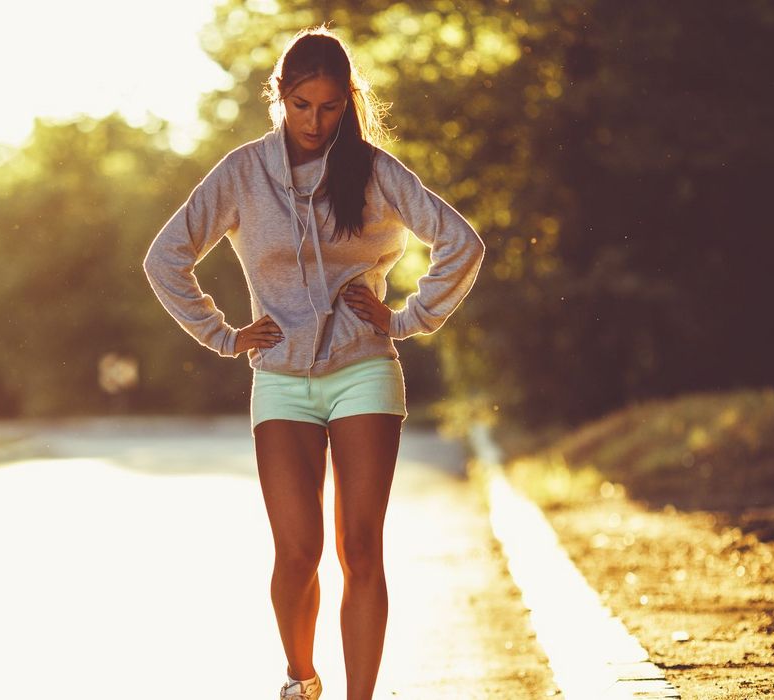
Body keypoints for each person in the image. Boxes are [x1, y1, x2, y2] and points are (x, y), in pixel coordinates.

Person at [142, 25, 485, 700]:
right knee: (297, 553)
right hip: (279, 380)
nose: (314, 121)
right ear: (279, 97)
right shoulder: (242, 173)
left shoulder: (376, 172)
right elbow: (165, 258)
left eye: (329, 107)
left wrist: (408, 318)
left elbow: (461, 243)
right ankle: (300, 680)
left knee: (359, 548)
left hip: (362, 369)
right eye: (301, 105)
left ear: (347, 101)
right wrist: (222, 333)